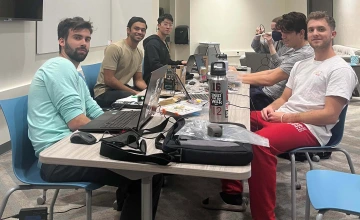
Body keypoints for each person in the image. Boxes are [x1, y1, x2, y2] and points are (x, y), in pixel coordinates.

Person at [203, 11, 358, 220]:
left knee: (260, 145)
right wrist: (273, 108)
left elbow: (329, 116)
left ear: (333, 33)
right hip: (284, 117)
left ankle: (264, 216)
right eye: (312, 29)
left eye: (321, 29)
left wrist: (286, 118)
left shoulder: (340, 69)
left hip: (311, 127)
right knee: (230, 120)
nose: (315, 33)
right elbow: (285, 97)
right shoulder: (302, 64)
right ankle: (232, 192)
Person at [27, 17, 163, 220]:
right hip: (58, 157)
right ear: (61, 41)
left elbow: (94, 111)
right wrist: (117, 129)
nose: (84, 43)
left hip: (73, 147)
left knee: (138, 158)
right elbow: (77, 121)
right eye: (77, 37)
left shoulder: (74, 73)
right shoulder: (59, 67)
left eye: (87, 39)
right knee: (146, 172)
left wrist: (123, 125)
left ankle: (126, 208)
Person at [239, 12, 314, 111]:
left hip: (271, 98)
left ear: (301, 33)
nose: (282, 36)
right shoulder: (294, 48)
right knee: (239, 90)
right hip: (267, 91)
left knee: (237, 98)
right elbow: (271, 72)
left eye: (287, 32)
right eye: (282, 32)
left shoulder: (303, 54)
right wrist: (238, 75)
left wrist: (236, 78)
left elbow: (270, 79)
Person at [94, 17, 148, 108]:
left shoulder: (139, 52)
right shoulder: (115, 48)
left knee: (149, 98)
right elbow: (109, 80)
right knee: (141, 101)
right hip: (104, 93)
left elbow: (138, 80)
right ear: (128, 30)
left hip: (121, 90)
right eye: (136, 28)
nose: (140, 32)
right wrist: (135, 93)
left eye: (143, 30)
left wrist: (148, 91)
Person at [143, 14, 186, 85]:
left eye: (170, 25)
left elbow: (167, 62)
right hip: (153, 80)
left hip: (163, 76)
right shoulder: (152, 43)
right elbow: (155, 66)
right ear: (159, 25)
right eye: (165, 24)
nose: (168, 27)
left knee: (186, 76)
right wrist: (173, 70)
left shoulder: (163, 42)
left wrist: (180, 63)